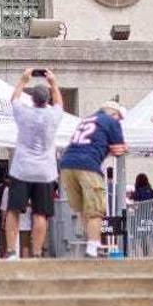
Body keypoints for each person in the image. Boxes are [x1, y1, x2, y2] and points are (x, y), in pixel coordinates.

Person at [5, 68, 64, 260]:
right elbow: (59, 102)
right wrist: (53, 83)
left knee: (14, 210)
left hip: (22, 169)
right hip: (45, 171)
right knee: (40, 214)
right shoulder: (54, 115)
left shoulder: (23, 113)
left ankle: (12, 251)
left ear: (32, 99)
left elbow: (14, 99)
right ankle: (37, 252)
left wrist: (23, 80)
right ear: (47, 100)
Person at [59, 101, 127, 258]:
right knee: (96, 210)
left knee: (83, 208)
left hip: (67, 164)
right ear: (115, 114)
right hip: (88, 164)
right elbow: (118, 149)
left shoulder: (87, 120)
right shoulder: (111, 121)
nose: (120, 121)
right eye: (120, 118)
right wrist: (124, 147)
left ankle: (90, 242)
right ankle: (93, 248)